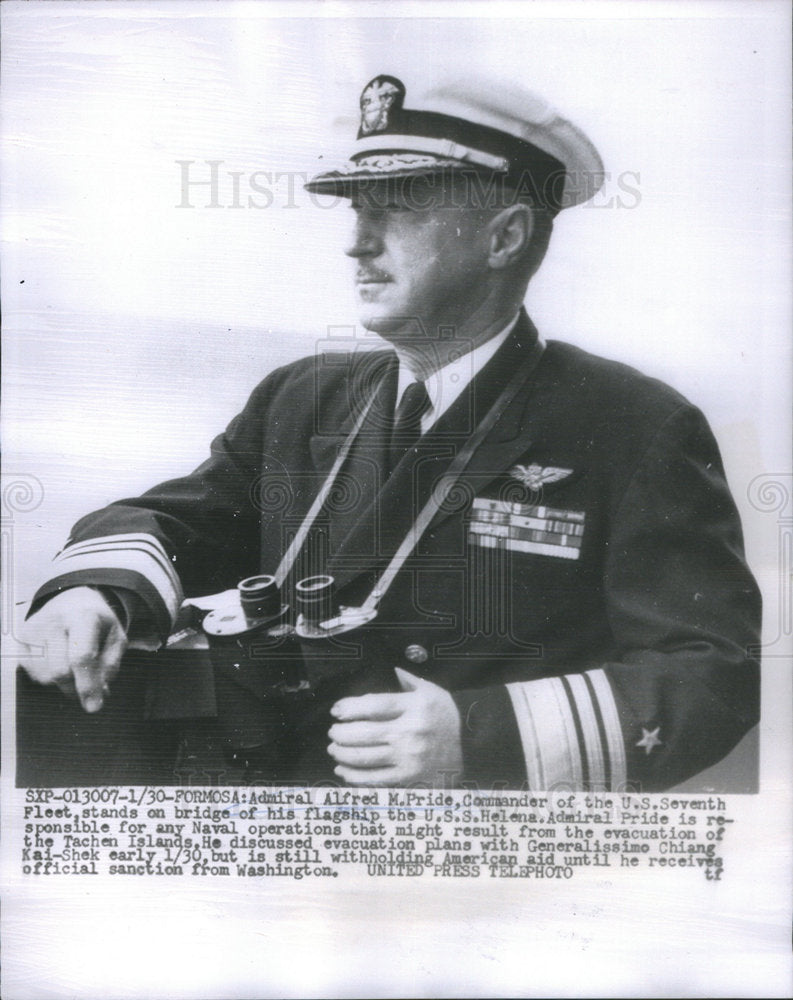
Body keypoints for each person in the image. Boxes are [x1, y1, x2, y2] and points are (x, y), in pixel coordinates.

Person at [17, 74, 761, 792]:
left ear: (503, 238)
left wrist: (477, 736)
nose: (357, 244)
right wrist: (93, 592)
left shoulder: (632, 424)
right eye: (356, 211)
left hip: (473, 864)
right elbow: (182, 519)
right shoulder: (301, 399)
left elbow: (713, 669)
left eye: (399, 209)